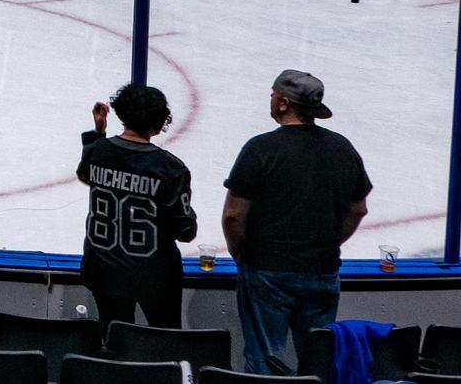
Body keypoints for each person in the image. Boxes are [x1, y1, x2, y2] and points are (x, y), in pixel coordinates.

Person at [224, 69, 373, 375]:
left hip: (267, 270)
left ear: (282, 103)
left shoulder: (260, 148)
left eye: (272, 94)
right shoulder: (342, 148)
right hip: (322, 268)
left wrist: (241, 253)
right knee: (318, 362)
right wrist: (329, 242)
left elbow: (234, 215)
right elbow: (357, 209)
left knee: (263, 360)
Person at [78, 83, 197, 328]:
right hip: (155, 275)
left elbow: (86, 174)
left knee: (113, 339)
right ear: (159, 122)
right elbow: (185, 231)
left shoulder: (97, 150)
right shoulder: (170, 168)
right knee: (165, 339)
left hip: (103, 268)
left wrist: (99, 134)